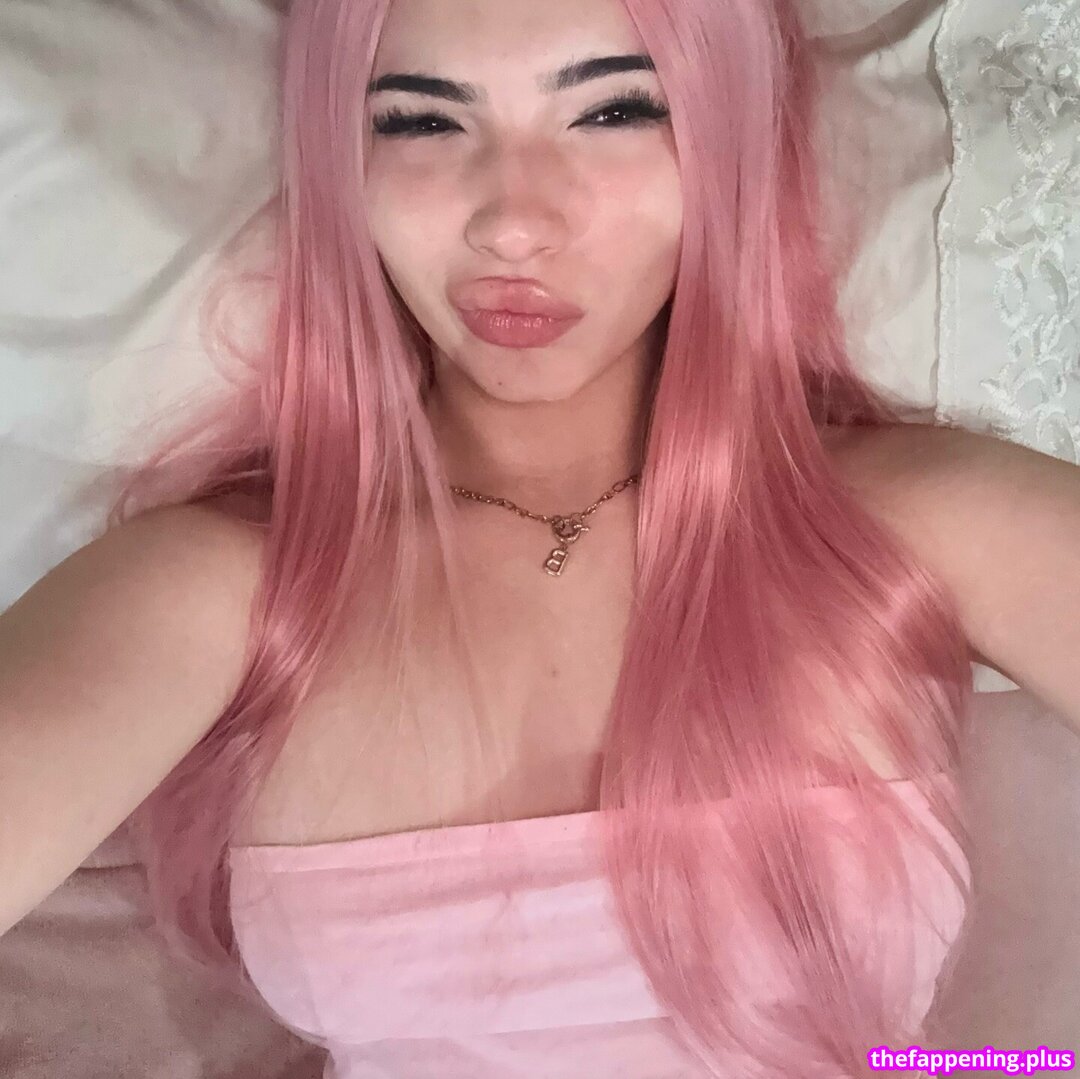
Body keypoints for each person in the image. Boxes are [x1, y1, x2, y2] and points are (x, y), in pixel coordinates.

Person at [4, 0, 1071, 1075]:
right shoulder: (224, 587)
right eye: (422, 121)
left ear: (730, 135)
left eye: (613, 111)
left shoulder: (916, 518)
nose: (513, 225)